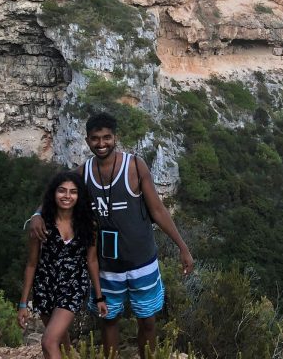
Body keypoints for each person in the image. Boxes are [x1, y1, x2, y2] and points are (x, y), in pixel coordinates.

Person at [30, 112, 194, 359]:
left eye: (107, 137)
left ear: (115, 138)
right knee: (108, 321)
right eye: (95, 138)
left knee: (147, 321)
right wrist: (36, 214)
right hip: (106, 265)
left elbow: (158, 210)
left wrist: (182, 247)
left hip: (142, 261)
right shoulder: (84, 172)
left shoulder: (135, 167)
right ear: (87, 141)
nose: (101, 143)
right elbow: (57, 190)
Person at [18, 172, 108, 359]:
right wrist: (23, 303)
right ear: (53, 193)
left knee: (48, 341)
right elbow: (32, 263)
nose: (67, 196)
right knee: (61, 343)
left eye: (73, 192)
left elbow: (91, 260)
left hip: (73, 286)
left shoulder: (87, 224)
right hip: (45, 286)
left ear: (79, 196)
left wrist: (99, 297)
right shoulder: (41, 224)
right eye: (62, 191)